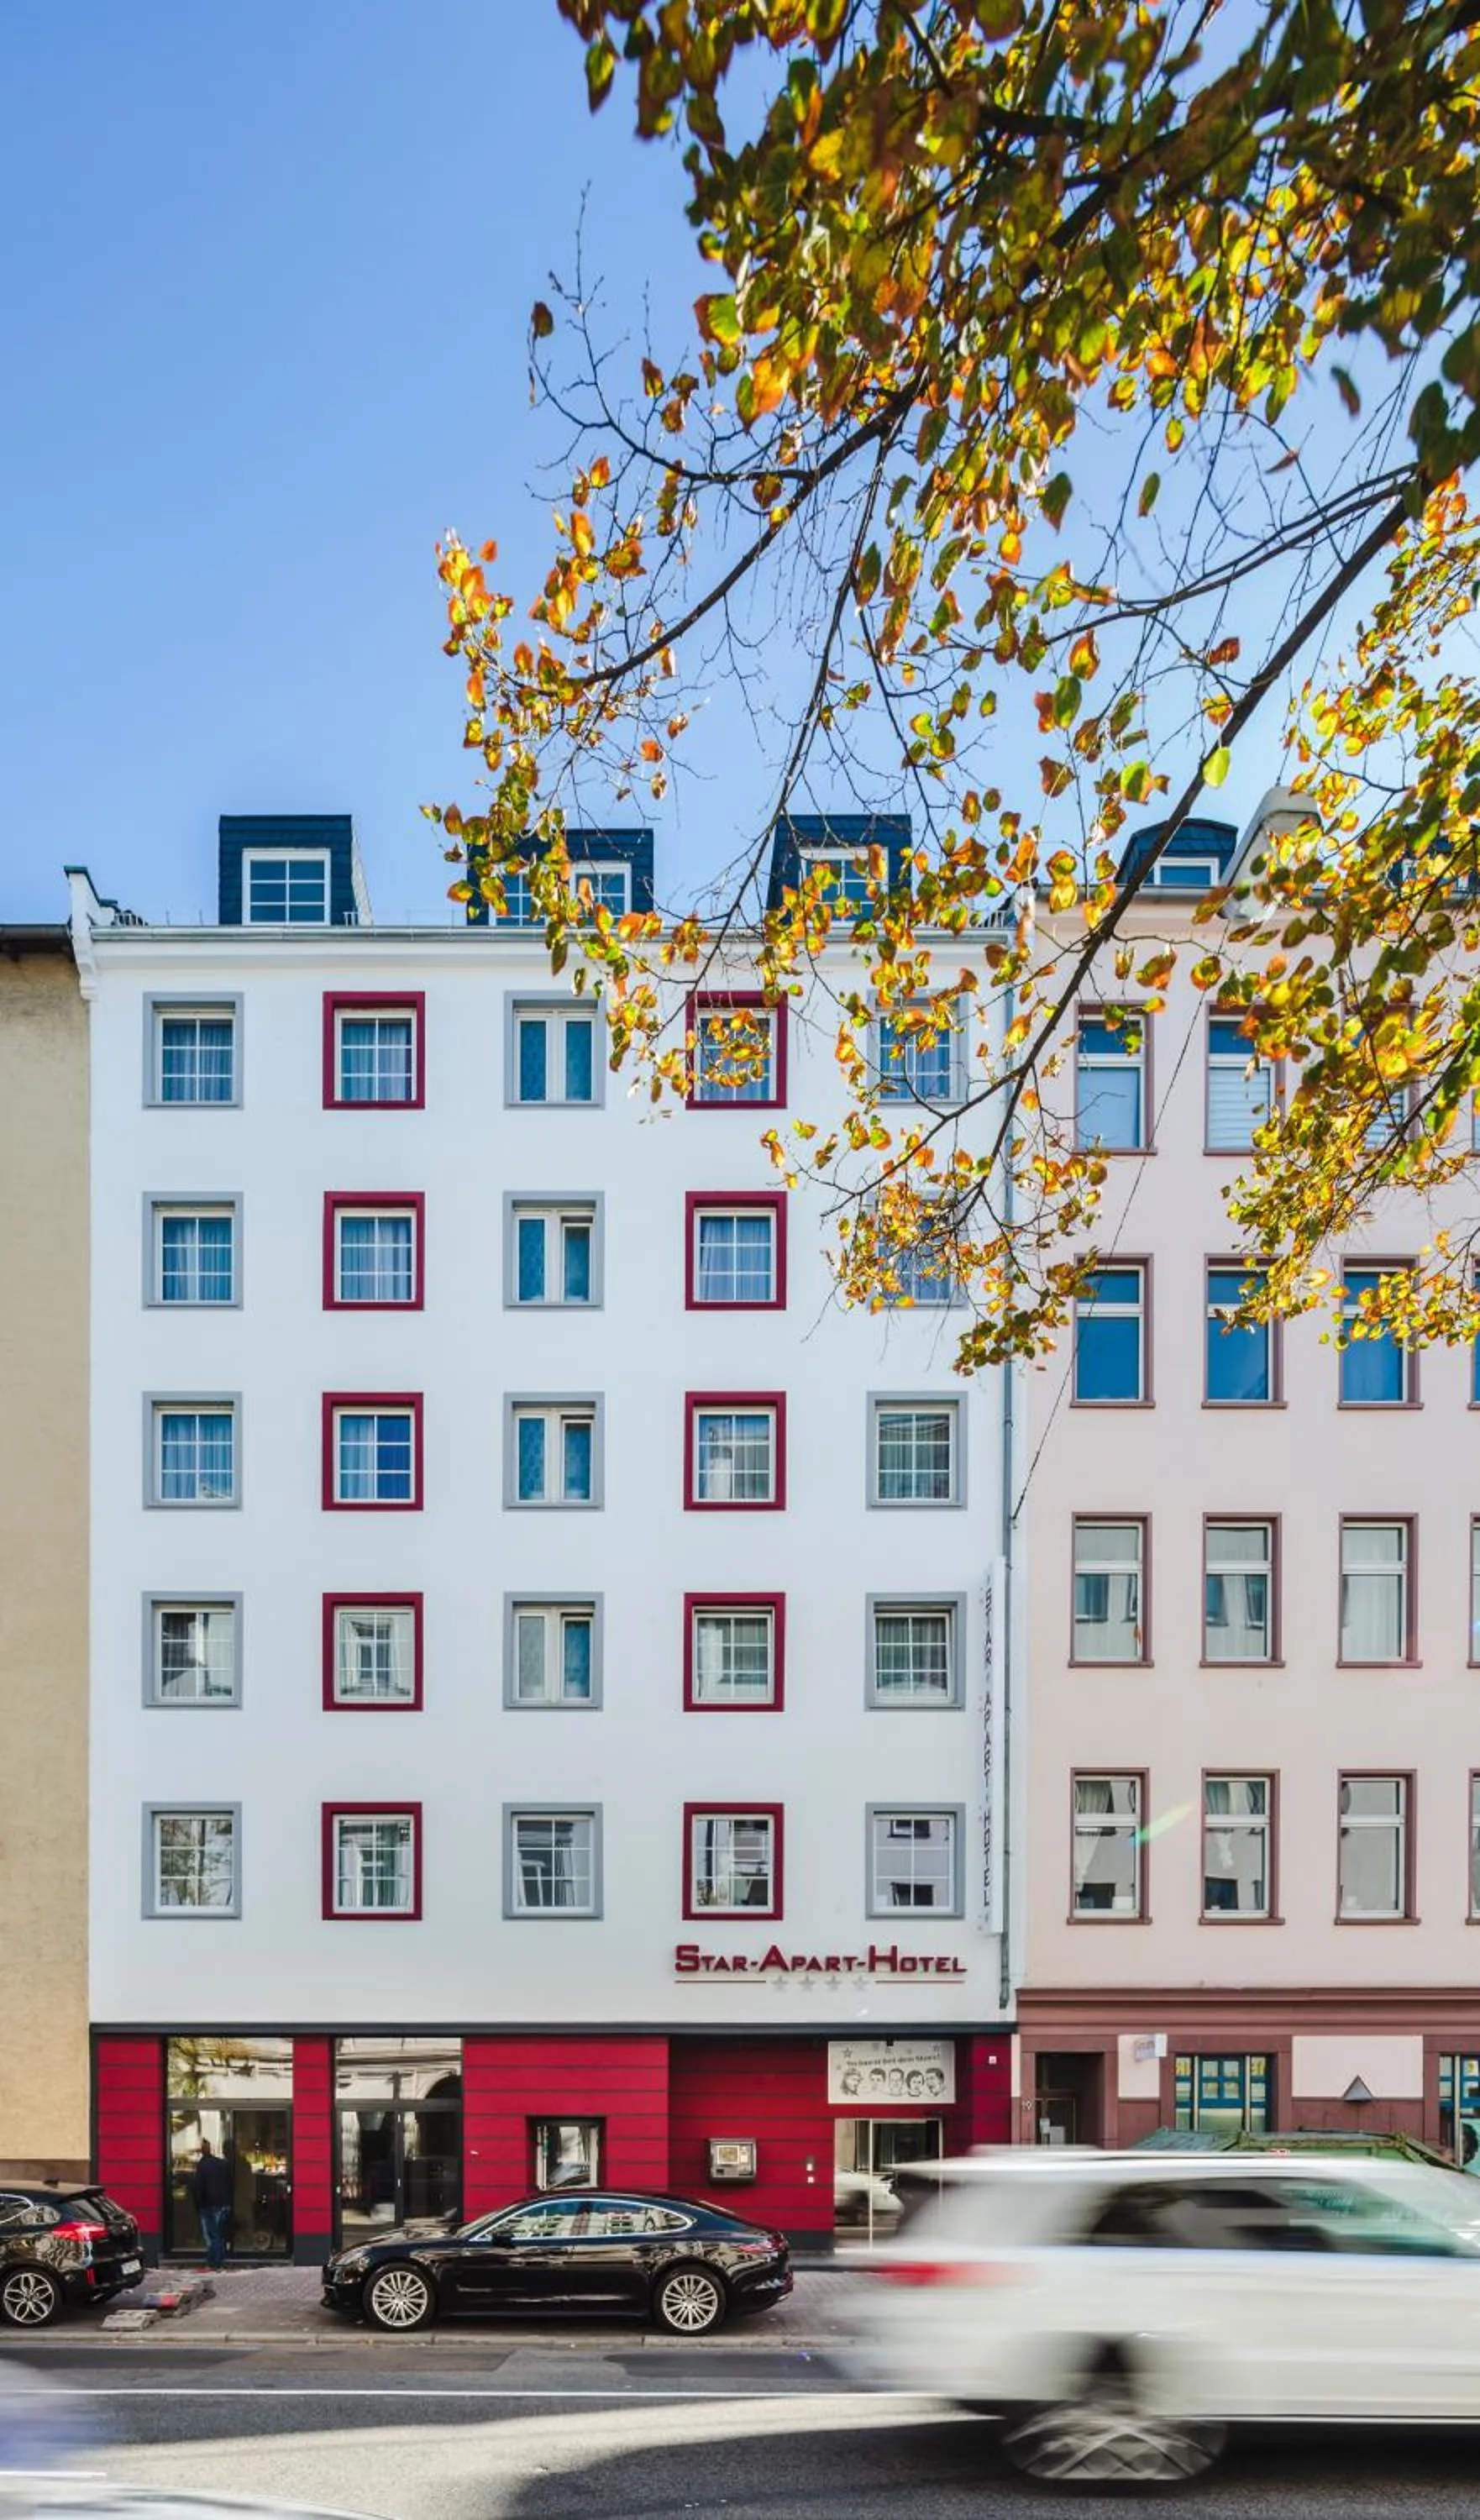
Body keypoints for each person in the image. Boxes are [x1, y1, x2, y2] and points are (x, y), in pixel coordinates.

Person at [190, 2139, 233, 2271]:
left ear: (202, 2151)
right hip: (223, 2204)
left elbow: (198, 2188)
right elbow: (230, 2184)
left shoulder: (202, 2165)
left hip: (209, 2205)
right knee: (218, 2234)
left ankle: (214, 2263)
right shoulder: (222, 2164)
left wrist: (198, 2206)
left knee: (212, 2236)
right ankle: (219, 2261)